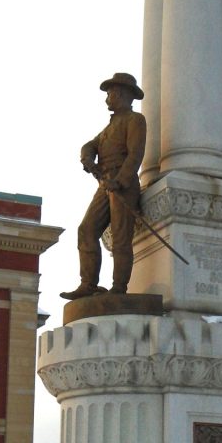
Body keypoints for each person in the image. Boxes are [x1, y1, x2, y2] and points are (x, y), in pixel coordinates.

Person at [61, 73, 146, 299]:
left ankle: (119, 287)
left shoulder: (134, 120)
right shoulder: (110, 126)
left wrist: (120, 181)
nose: (107, 98)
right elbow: (90, 145)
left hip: (122, 185)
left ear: (121, 94)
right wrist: (87, 157)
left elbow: (135, 155)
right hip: (105, 184)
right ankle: (88, 284)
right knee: (87, 229)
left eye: (109, 93)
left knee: (120, 237)